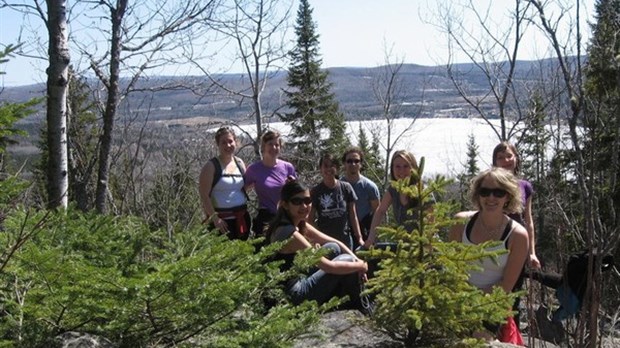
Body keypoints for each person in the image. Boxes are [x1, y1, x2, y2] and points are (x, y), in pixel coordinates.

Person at [448, 167, 529, 342]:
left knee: (479, 339)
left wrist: (471, 301)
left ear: (508, 196)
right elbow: (451, 270)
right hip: (456, 298)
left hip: (492, 303)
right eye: (485, 192)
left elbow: (506, 286)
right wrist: (459, 299)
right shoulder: (460, 222)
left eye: (498, 192)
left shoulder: (518, 235)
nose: (491, 198)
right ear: (478, 195)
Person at [266, 179, 368, 309]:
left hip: (297, 277)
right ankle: (355, 305)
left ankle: (337, 297)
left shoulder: (298, 222)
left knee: (333, 248)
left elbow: (334, 241)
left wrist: (358, 260)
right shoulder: (289, 233)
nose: (304, 206)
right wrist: (360, 266)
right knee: (347, 260)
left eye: (307, 201)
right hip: (292, 294)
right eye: (297, 201)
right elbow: (329, 267)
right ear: (285, 204)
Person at [492, 141, 540, 269]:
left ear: (516, 159)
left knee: (516, 286)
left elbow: (528, 222)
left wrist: (532, 253)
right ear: (495, 162)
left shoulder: (525, 186)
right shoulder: (490, 185)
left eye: (509, 156)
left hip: (517, 245)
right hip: (494, 247)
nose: (505, 160)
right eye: (500, 158)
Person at [199, 126, 250, 240]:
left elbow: (243, 188)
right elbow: (204, 196)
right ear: (218, 145)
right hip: (222, 222)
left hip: (242, 218)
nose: (228, 145)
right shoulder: (211, 166)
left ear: (235, 142)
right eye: (223, 142)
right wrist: (215, 219)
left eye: (230, 141)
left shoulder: (240, 163)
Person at [364, 150, 423, 248]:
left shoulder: (422, 190)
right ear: (392, 169)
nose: (401, 171)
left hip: (422, 245)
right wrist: (371, 238)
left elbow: (431, 221)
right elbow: (380, 211)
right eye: (397, 167)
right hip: (403, 245)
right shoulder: (393, 189)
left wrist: (424, 244)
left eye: (406, 166)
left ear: (413, 168)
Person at [244, 130, 297, 237]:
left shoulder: (287, 167)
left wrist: (291, 185)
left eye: (277, 145)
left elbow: (296, 193)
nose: (274, 148)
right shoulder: (254, 170)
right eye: (270, 144)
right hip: (266, 218)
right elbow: (242, 190)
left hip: (286, 216)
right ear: (263, 147)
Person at [308, 153, 364, 250]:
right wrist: (315, 239)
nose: (329, 169)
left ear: (337, 168)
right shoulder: (316, 191)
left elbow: (353, 215)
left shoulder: (346, 188)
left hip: (344, 239)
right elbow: (310, 219)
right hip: (325, 241)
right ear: (320, 169)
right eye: (325, 166)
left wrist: (359, 238)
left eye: (332, 166)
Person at [341, 147, 380, 249]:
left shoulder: (370, 187)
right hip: (343, 230)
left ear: (361, 164)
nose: (353, 164)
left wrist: (374, 235)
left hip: (365, 231)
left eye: (356, 161)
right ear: (344, 164)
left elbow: (378, 212)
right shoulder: (338, 186)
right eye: (349, 161)